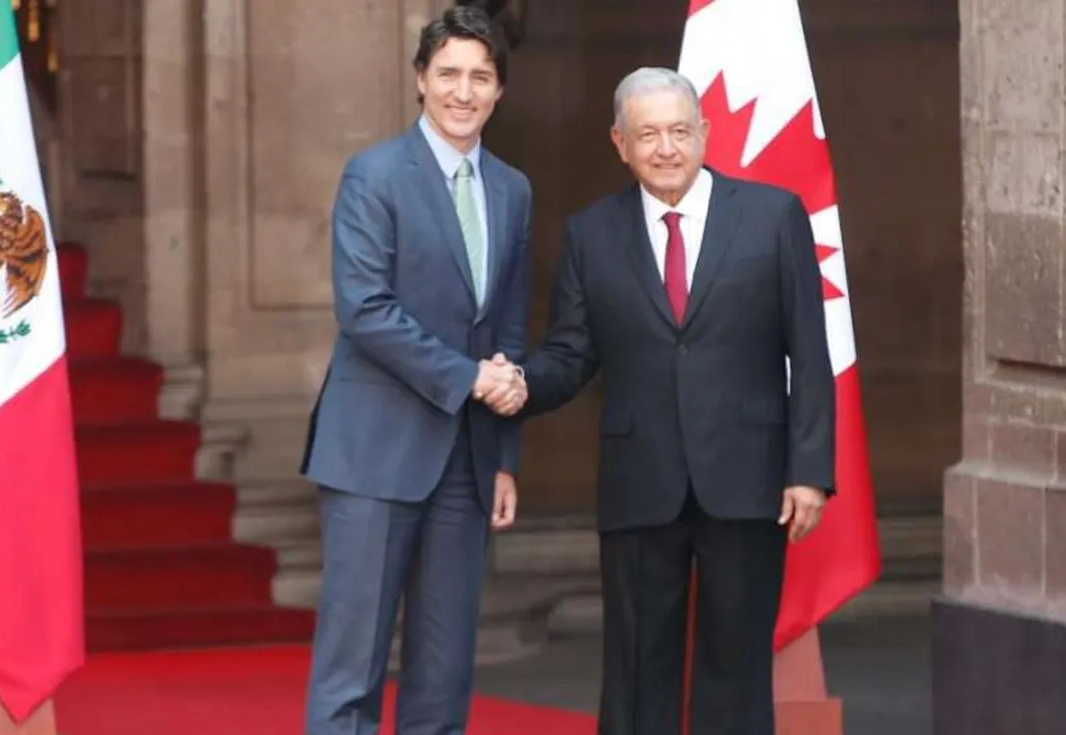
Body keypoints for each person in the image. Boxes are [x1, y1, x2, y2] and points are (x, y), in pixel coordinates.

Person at [490, 67, 835, 735]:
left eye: (680, 130)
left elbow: (811, 354)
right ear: (620, 143)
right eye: (648, 134)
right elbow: (570, 354)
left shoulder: (773, 216)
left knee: (735, 670)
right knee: (635, 669)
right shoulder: (592, 234)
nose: (666, 147)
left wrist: (809, 468)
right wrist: (520, 384)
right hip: (639, 481)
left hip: (748, 477)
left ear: (705, 133)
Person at [297, 6, 532, 734]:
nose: (464, 91)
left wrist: (503, 454)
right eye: (449, 74)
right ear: (420, 81)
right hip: (373, 452)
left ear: (499, 91)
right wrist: (468, 377)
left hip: (465, 460)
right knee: (352, 672)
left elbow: (509, 327)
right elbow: (364, 309)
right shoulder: (373, 175)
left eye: (480, 77)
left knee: (444, 671)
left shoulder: (512, 189)